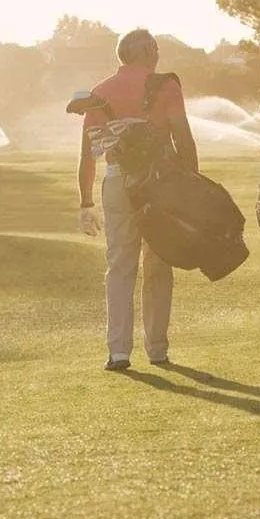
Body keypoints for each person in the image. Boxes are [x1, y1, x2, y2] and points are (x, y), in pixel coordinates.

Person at [77, 28, 198, 371]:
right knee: (158, 263)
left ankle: (118, 352)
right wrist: (190, 185)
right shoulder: (166, 86)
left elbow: (89, 154)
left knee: (120, 266)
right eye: (155, 48)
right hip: (160, 183)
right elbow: (183, 139)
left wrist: (86, 201)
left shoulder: (100, 92)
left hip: (117, 184)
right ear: (146, 52)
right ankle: (157, 348)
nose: (158, 53)